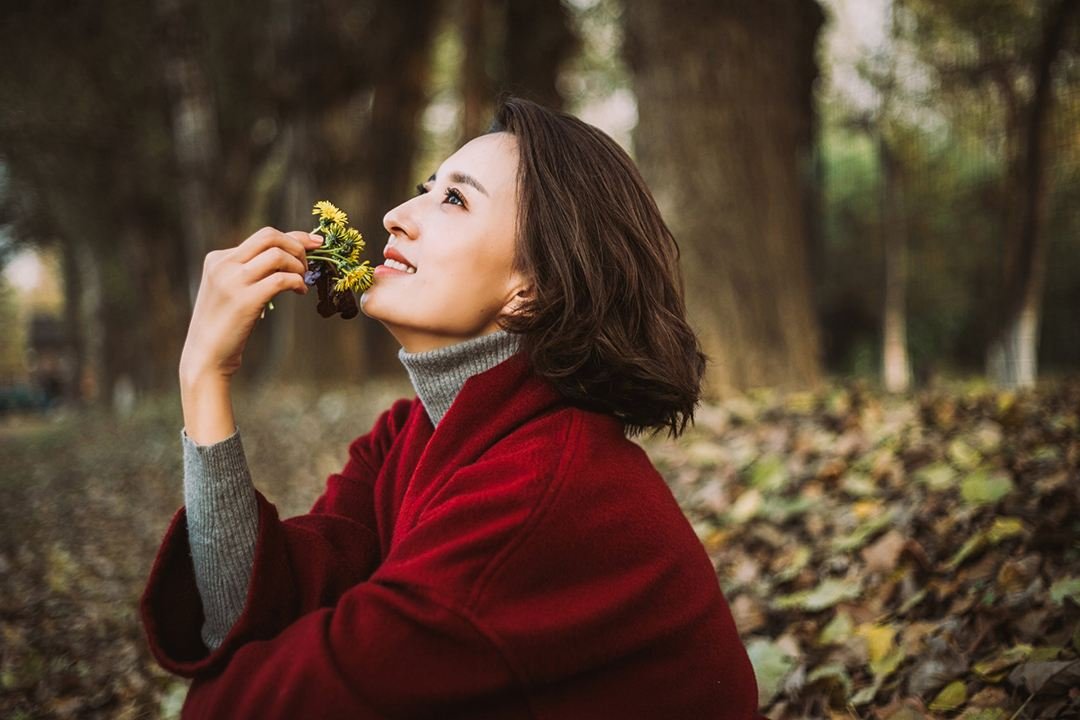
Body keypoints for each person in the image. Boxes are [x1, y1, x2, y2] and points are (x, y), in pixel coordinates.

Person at [141, 97, 760, 719]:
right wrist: (204, 378)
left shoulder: (544, 491)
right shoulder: (409, 436)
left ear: (530, 293)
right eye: (425, 189)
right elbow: (254, 610)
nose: (395, 216)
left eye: (455, 200)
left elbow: (294, 701)